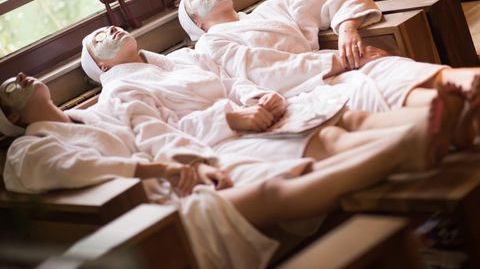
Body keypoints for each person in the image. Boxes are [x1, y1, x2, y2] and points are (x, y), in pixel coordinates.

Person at [2, 73, 448, 269]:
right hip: (148, 218)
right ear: (13, 120)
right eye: (8, 88)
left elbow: (157, 136)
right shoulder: (27, 150)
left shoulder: (95, 117)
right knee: (274, 187)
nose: (20, 77)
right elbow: (71, 169)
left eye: (20, 75)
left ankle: (414, 148)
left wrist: (197, 164)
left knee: (303, 165)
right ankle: (410, 147)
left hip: (182, 183)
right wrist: (158, 168)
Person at [80, 26, 467, 172]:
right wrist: (232, 119)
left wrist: (260, 95)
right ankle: (430, 135)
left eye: (109, 27)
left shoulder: (183, 58)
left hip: (260, 111)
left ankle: (456, 115)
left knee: (347, 116)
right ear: (99, 65)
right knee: (328, 136)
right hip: (230, 135)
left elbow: (231, 81)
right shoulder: (120, 91)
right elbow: (159, 136)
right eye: (98, 40)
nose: (108, 31)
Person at [179, 0, 480, 142]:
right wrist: (337, 63)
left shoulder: (273, 9)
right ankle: (477, 101)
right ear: (195, 22)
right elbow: (263, 72)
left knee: (401, 68)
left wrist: (347, 29)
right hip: (305, 90)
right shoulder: (211, 44)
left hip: (341, 63)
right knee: (384, 85)